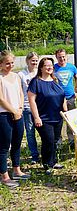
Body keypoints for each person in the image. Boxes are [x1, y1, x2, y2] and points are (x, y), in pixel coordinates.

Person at [28, 57, 67, 175]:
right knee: (48, 140)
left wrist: (65, 110)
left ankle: (53, 161)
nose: (50, 67)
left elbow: (62, 96)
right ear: (41, 67)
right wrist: (36, 117)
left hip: (57, 116)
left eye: (51, 65)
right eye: (47, 65)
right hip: (44, 117)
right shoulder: (36, 82)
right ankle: (46, 164)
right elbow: (31, 100)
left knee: (55, 140)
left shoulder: (55, 80)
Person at [0, 51, 30, 188]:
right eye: (7, 63)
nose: (10, 65)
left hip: (18, 113)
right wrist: (13, 111)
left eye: (12, 63)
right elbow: (1, 99)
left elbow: (20, 93)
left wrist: (19, 109)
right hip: (4, 115)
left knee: (17, 142)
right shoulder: (0, 78)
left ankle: (16, 170)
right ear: (1, 64)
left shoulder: (16, 76)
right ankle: (4, 176)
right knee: (4, 146)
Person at [18, 52, 40, 164]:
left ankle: (46, 154)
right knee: (30, 132)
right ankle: (34, 155)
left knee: (43, 131)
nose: (34, 62)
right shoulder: (21, 74)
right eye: (32, 60)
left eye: (36, 60)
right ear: (27, 61)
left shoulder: (39, 73)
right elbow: (19, 91)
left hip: (40, 106)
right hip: (27, 106)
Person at [54, 49, 77, 144]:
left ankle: (71, 139)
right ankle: (58, 140)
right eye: (59, 57)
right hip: (58, 99)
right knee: (58, 120)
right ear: (56, 58)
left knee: (71, 119)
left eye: (63, 56)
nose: (62, 59)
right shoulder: (54, 68)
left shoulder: (72, 67)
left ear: (66, 56)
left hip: (70, 97)